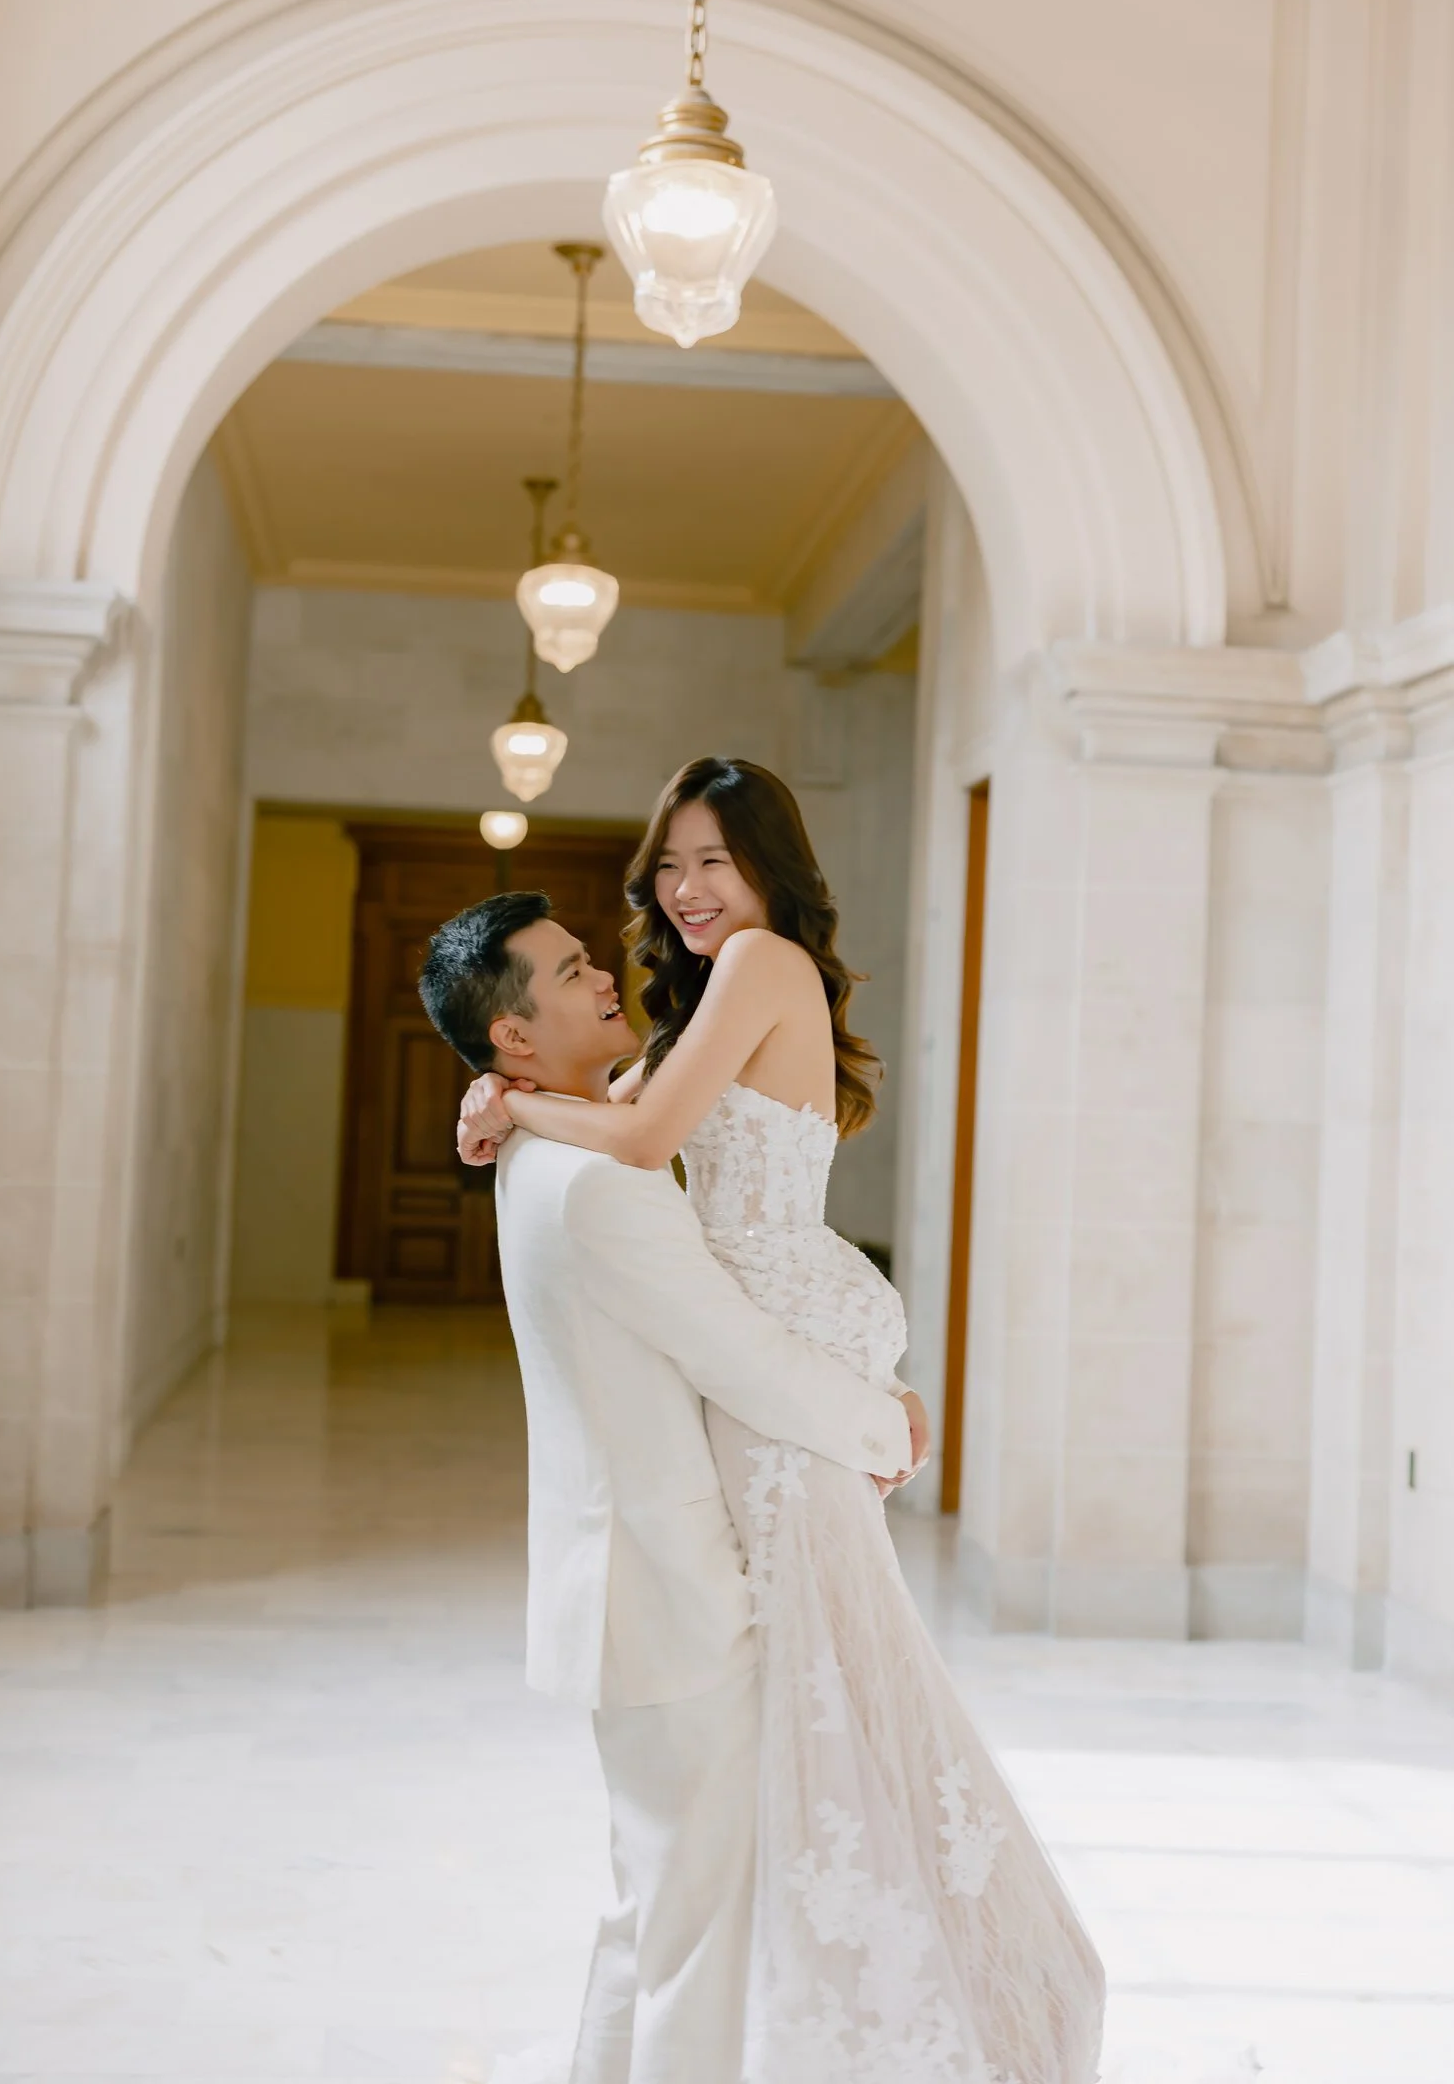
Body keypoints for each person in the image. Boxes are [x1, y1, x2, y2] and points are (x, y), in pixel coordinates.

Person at [456, 759, 1107, 2084]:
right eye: (669, 865)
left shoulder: (757, 963)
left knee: (841, 1694)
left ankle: (984, 1987)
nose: (686, 890)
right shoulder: (702, 1003)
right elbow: (633, 1120)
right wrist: (502, 1091)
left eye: (713, 861)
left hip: (780, 1336)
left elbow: (637, 1145)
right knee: (813, 1711)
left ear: (765, 873)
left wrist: (506, 1101)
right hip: (764, 1346)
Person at [417, 889, 925, 2084]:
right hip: (663, 1596)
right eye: (574, 970)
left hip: (633, 1594)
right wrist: (879, 1424)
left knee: (655, 1911)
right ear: (516, 1036)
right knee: (695, 1933)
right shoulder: (596, 1183)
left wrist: (503, 1102)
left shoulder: (560, 1145)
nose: (606, 976)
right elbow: (731, 1351)